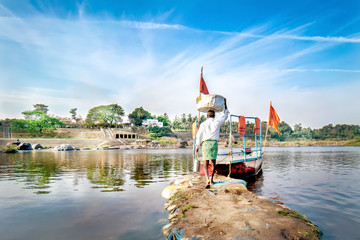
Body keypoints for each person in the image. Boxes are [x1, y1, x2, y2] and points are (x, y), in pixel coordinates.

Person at [196, 99, 229, 188]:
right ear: (214, 116)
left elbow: (199, 135)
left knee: (205, 162)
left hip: (205, 144)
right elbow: (225, 116)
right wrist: (225, 106)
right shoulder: (217, 122)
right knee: (213, 162)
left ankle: (207, 179)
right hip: (214, 143)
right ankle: (211, 179)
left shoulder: (203, 124)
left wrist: (197, 146)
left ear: (207, 116)